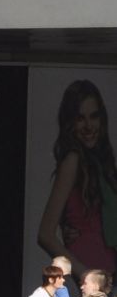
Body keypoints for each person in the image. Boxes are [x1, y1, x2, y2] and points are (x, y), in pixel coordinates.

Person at [37, 78, 117, 277]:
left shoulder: (99, 162)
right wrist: (84, 274)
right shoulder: (73, 159)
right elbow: (45, 234)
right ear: (70, 122)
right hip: (97, 280)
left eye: (94, 116)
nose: (89, 126)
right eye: (80, 118)